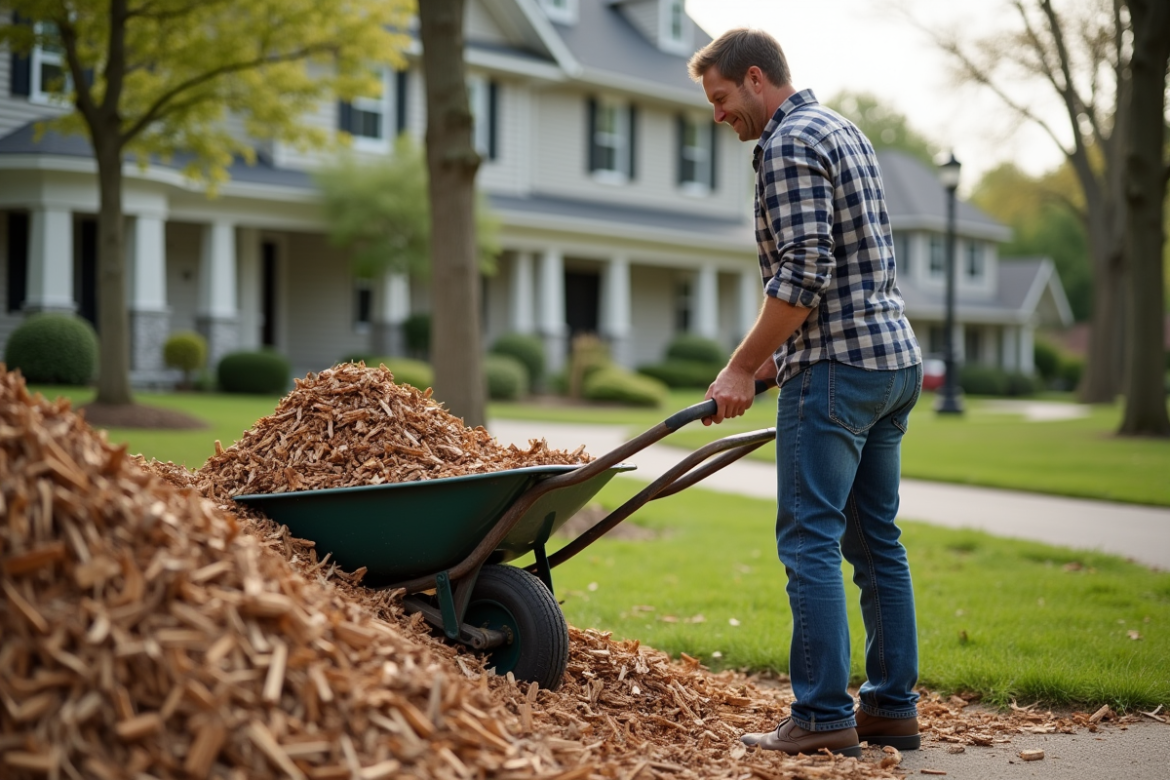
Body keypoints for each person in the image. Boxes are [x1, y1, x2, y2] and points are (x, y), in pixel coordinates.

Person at [687, 29, 924, 758]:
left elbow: (804, 273)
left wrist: (739, 364)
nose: (720, 117)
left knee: (809, 538)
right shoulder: (841, 128)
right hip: (889, 363)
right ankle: (890, 708)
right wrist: (769, 365)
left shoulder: (787, 144)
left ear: (756, 79)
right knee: (875, 540)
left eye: (723, 100)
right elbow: (843, 268)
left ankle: (821, 715)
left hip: (836, 373)